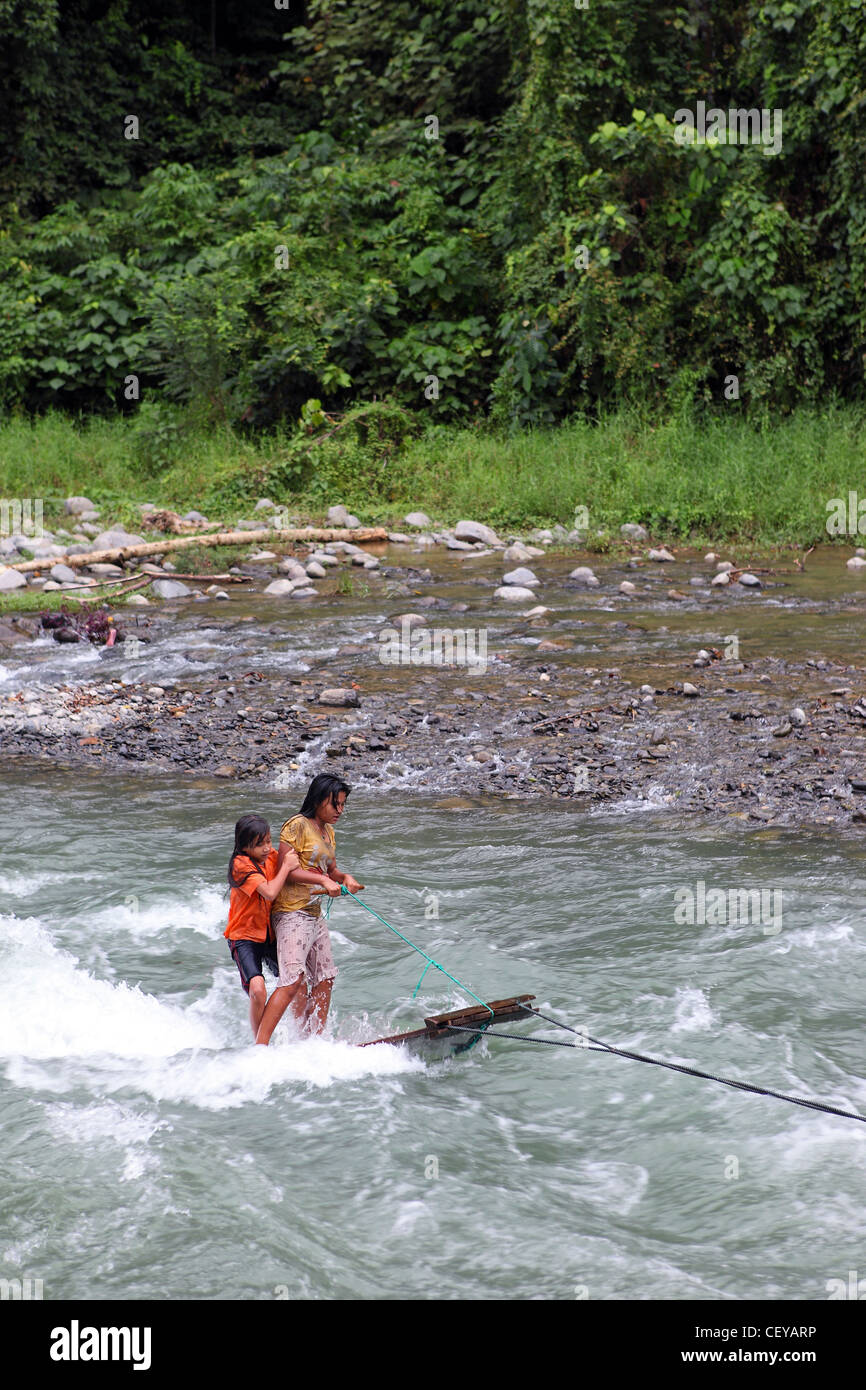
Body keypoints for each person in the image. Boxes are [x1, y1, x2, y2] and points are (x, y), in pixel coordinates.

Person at [255, 774, 365, 1046]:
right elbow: (288, 871)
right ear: (317, 801)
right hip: (291, 912)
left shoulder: (329, 832)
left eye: (342, 805)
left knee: (326, 978)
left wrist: (344, 877)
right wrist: (323, 881)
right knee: (292, 981)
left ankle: (314, 1042)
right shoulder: (296, 826)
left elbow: (332, 870)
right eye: (334, 804)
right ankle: (260, 1045)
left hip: (314, 914)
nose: (339, 811)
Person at [224, 815, 302, 1040]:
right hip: (244, 937)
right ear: (244, 846)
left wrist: (329, 880)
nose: (268, 848)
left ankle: (302, 1035)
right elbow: (269, 891)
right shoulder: (241, 864)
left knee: (297, 981)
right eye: (260, 844)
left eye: (269, 841)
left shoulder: (269, 857)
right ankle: (260, 1044)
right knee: (258, 990)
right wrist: (287, 866)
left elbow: (295, 866)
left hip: (269, 933)